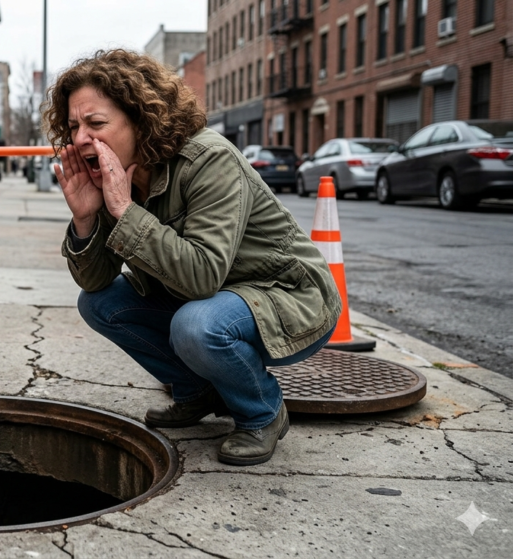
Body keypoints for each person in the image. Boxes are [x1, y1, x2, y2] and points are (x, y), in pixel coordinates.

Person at [43, 49, 340, 466]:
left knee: (196, 325)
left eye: (96, 124)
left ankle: (263, 412)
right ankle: (197, 391)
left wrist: (124, 212)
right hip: (213, 298)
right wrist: (86, 219)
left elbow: (201, 278)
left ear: (141, 120)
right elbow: (94, 281)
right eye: (74, 126)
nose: (78, 140)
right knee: (99, 303)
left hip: (285, 295)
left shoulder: (208, 159)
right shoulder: (118, 175)